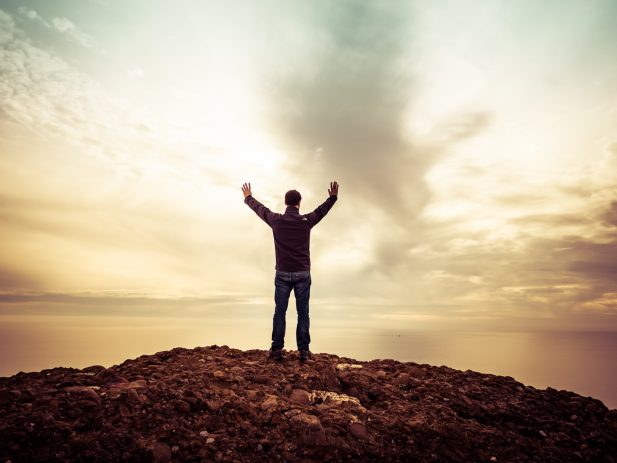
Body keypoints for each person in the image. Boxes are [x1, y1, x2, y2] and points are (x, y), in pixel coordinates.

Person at [242, 181, 339, 362]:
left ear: (286, 203)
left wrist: (248, 198)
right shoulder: (306, 221)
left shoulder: (276, 220)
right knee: (303, 313)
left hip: (282, 274)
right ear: (299, 203)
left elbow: (260, 209)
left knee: (280, 311)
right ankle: (304, 352)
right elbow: (321, 211)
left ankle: (277, 350)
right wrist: (332, 197)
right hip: (302, 274)